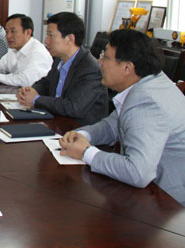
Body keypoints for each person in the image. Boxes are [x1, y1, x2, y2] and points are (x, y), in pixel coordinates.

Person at [59, 29, 185, 206]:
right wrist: (83, 135)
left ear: (127, 68)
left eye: (105, 57)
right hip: (153, 193)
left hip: (170, 205)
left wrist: (86, 153)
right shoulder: (150, 82)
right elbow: (113, 125)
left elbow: (138, 172)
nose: (99, 62)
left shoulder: (147, 101)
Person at [16, 12, 108, 125]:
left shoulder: (90, 69)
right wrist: (31, 90)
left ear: (70, 39)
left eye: (51, 35)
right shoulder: (59, 59)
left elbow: (73, 107)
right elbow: (46, 82)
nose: (46, 41)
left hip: (78, 129)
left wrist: (36, 99)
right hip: (56, 121)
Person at [0, 14, 52, 87]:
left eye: (13, 31)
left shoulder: (38, 52)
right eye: (7, 32)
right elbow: (1, 65)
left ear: (28, 32)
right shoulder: (14, 49)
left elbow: (26, 80)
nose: (8, 36)